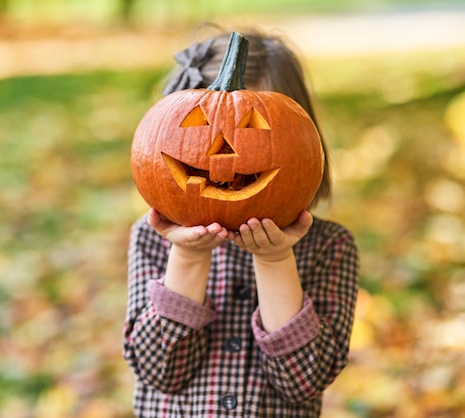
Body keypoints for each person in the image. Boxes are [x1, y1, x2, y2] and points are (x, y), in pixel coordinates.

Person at [123, 26, 359, 417]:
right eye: (198, 124)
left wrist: (275, 261)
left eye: (252, 126)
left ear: (305, 139)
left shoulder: (329, 247)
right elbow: (157, 371)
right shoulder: (151, 239)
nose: (223, 151)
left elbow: (303, 381)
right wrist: (187, 258)